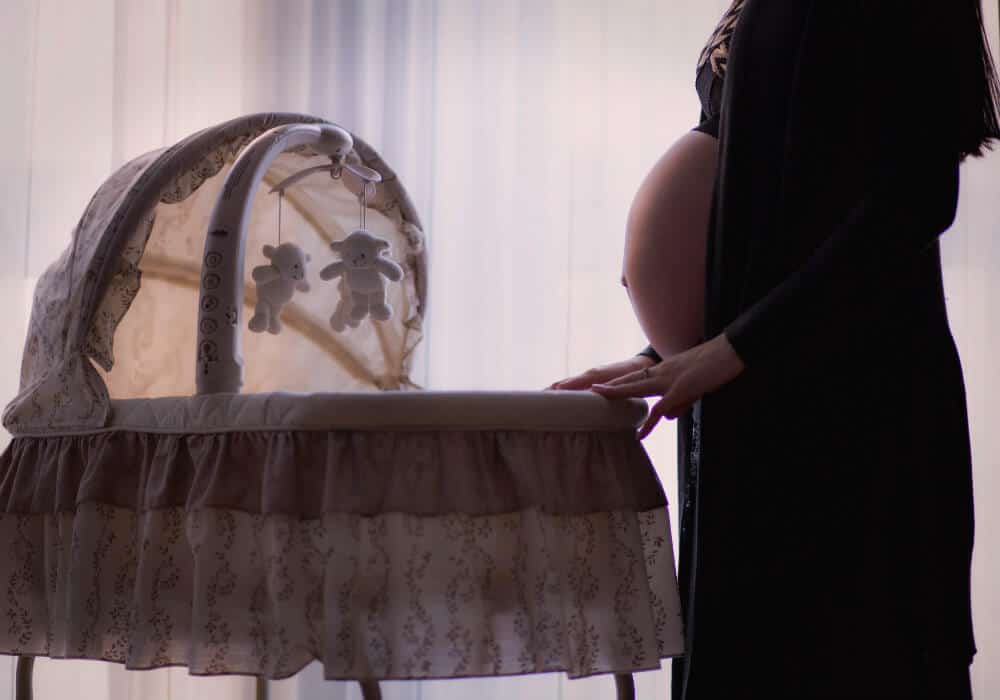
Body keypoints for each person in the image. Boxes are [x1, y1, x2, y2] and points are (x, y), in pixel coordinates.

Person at [549, 0, 1000, 697]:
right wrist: (668, 349)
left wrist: (734, 346)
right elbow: (772, 202)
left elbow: (914, 194)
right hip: (753, 385)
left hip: (849, 410)